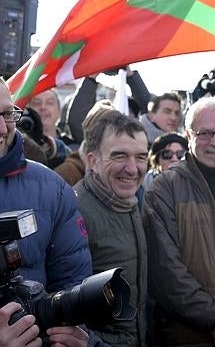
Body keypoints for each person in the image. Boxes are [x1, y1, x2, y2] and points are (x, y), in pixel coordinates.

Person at [142, 96, 215, 346]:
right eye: (205, 133)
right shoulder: (165, 188)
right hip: (187, 334)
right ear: (188, 134)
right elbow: (165, 270)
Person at [0, 78, 93, 346]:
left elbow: (73, 285)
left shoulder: (52, 188)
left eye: (7, 113)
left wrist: (69, 333)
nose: (2, 127)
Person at [75, 110, 149, 346]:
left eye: (141, 157)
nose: (132, 168)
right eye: (119, 156)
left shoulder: (135, 202)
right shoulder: (73, 211)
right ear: (93, 161)